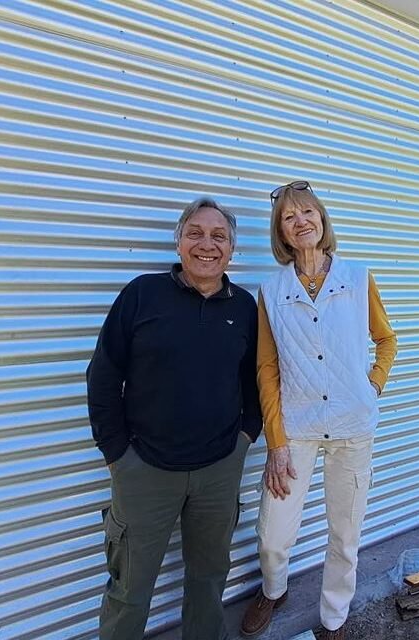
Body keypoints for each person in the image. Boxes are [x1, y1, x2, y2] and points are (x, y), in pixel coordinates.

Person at [87, 197, 262, 640]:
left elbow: (255, 381)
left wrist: (245, 438)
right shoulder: (141, 294)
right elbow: (103, 375)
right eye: (195, 233)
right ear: (179, 241)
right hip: (145, 470)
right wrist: (117, 454)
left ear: (231, 248)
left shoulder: (244, 308)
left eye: (219, 236)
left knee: (209, 580)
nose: (207, 244)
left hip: (218, 470)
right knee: (129, 589)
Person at [240, 181, 397, 640]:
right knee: (273, 532)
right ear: (281, 233)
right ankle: (274, 590)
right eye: (289, 217)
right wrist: (276, 441)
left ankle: (333, 619)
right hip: (297, 427)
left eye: (308, 212)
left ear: (322, 219)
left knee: (345, 534)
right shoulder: (271, 292)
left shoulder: (358, 277)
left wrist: (372, 386)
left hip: (352, 426)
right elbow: (266, 368)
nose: (301, 221)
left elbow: (387, 340)